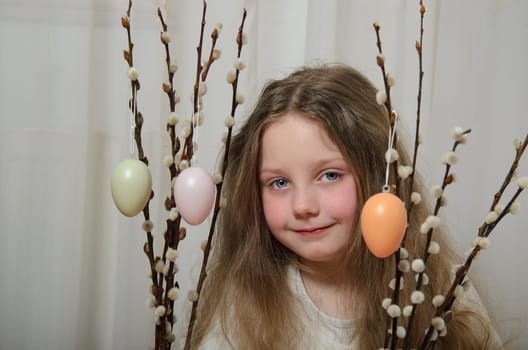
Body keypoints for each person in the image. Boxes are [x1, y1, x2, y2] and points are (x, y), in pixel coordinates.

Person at [190, 65, 498, 349]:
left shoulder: (443, 286)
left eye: (330, 175)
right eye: (279, 183)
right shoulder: (245, 303)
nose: (303, 206)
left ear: (379, 177)